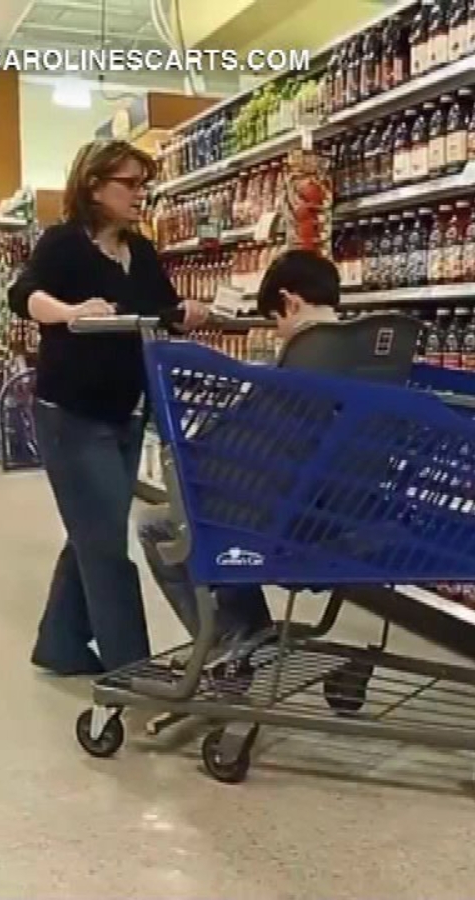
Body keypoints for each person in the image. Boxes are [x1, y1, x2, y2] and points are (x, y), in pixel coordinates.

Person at [9, 139, 210, 675]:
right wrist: (71, 311)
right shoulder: (64, 244)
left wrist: (183, 313)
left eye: (145, 184)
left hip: (127, 410)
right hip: (72, 414)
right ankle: (132, 666)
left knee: (91, 529)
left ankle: (60, 643)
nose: (141, 194)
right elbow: (24, 294)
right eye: (131, 184)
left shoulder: (139, 251)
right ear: (94, 187)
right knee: (103, 543)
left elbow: (156, 308)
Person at [136, 248, 342, 642]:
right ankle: (253, 634)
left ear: (290, 302)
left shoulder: (301, 366)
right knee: (233, 512)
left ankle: (225, 645)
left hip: (283, 521)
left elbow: (254, 458)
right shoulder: (363, 354)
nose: (278, 332)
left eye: (276, 320)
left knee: (158, 525)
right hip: (342, 516)